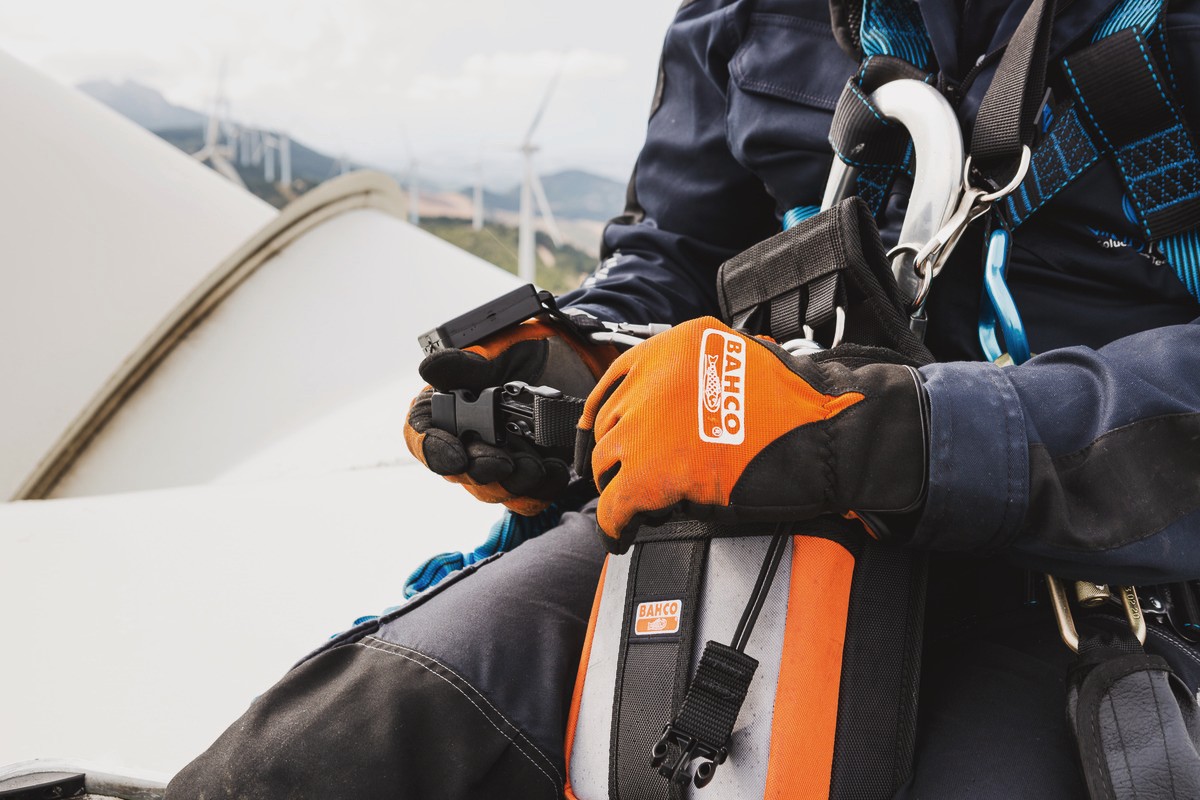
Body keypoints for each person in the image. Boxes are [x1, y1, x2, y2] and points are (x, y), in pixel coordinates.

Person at [165, 0, 1200, 797]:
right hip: (759, 503)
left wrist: (894, 436)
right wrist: (582, 361)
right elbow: (677, 252)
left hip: (1093, 576)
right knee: (341, 742)